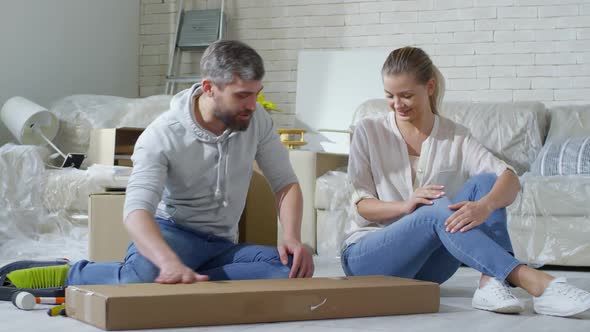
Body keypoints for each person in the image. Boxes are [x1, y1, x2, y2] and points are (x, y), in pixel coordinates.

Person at [5, 40, 314, 287]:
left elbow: (285, 184)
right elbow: (137, 212)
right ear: (209, 88)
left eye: (257, 94)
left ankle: (186, 280)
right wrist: (168, 261)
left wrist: (291, 237)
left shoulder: (257, 120)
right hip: (173, 234)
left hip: (223, 243)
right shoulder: (162, 135)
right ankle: (72, 273)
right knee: (142, 279)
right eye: (242, 96)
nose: (252, 105)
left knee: (289, 270)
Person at [340, 46, 590, 317]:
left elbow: (509, 179)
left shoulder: (455, 135)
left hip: (427, 272)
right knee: (435, 205)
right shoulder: (368, 130)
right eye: (390, 96)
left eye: (407, 95)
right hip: (368, 257)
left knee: (486, 182)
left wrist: (484, 206)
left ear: (430, 87)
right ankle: (537, 283)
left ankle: (490, 282)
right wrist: (407, 206)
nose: (397, 104)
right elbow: (362, 205)